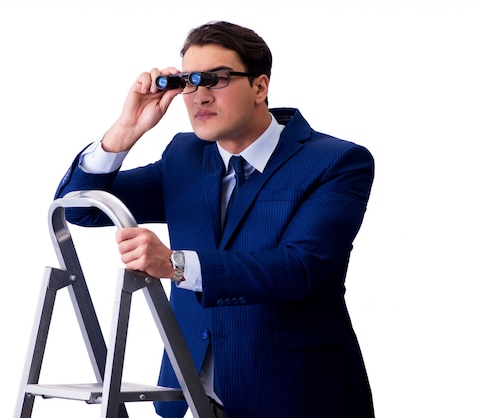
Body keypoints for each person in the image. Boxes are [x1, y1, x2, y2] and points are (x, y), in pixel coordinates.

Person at [55, 21, 374, 418]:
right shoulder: (185, 157)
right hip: (190, 399)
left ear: (260, 87)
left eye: (216, 79)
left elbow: (303, 267)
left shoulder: (336, 162)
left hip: (295, 397)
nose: (198, 96)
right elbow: (80, 209)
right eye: (189, 82)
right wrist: (124, 131)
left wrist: (175, 264)